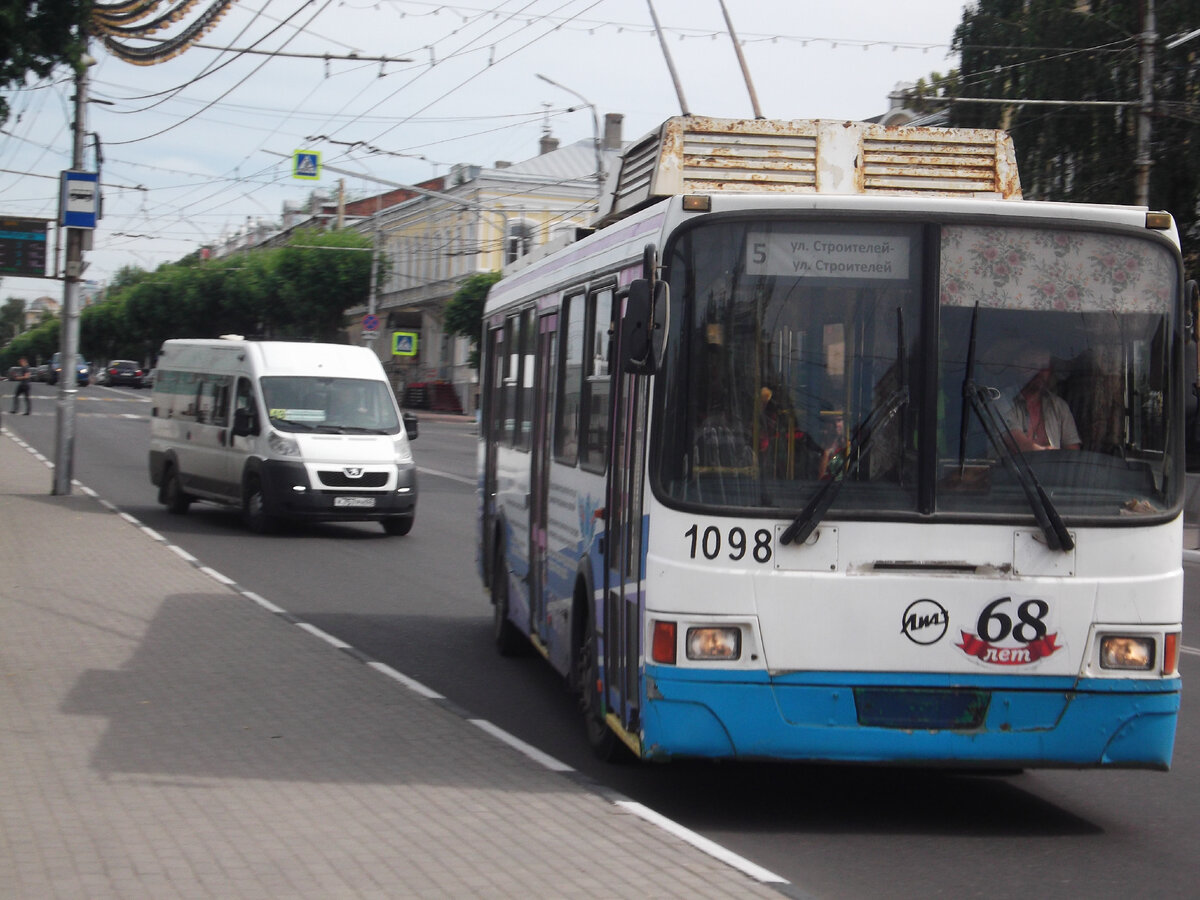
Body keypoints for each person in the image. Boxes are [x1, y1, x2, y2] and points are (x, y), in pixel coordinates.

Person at [995, 345, 1080, 452]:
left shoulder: (1059, 406)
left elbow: (1073, 454)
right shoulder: (1001, 401)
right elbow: (1016, 444)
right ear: (1017, 366)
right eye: (1032, 366)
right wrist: (1050, 455)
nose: (1039, 373)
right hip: (1010, 469)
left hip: (1053, 468)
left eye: (1044, 367)